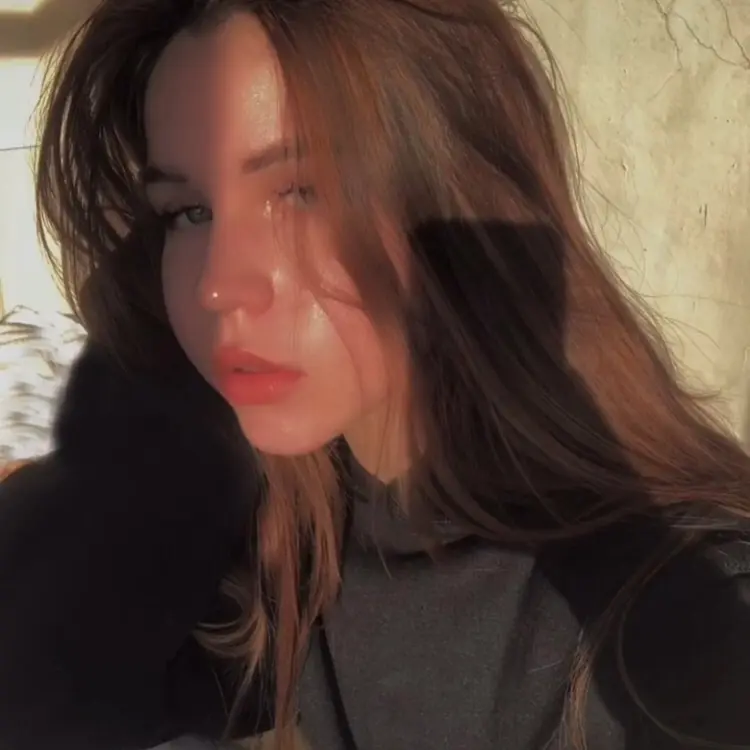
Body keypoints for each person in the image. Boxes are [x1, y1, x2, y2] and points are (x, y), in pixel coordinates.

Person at [2, 0, 750, 748]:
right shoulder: (298, 541)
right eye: (188, 213)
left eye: (301, 190)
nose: (217, 287)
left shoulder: (669, 628)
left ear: (456, 197)